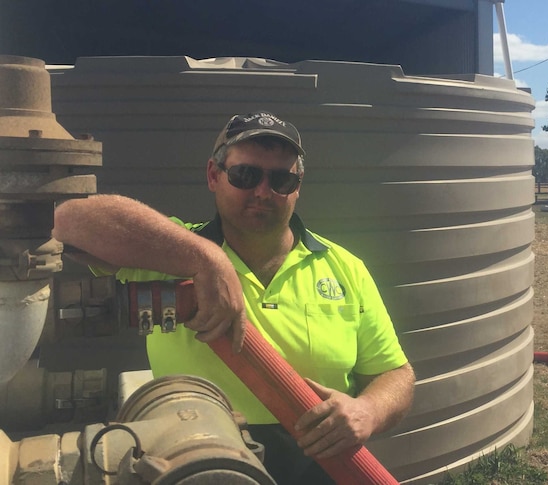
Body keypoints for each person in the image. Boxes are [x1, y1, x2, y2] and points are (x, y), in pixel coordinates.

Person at [53, 110, 415, 484]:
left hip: (324, 466)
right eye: (245, 175)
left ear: (298, 185)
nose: (263, 191)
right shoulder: (168, 253)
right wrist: (204, 256)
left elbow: (396, 374)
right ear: (214, 175)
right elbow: (68, 220)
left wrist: (367, 411)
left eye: (281, 179)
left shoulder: (344, 268)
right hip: (198, 463)